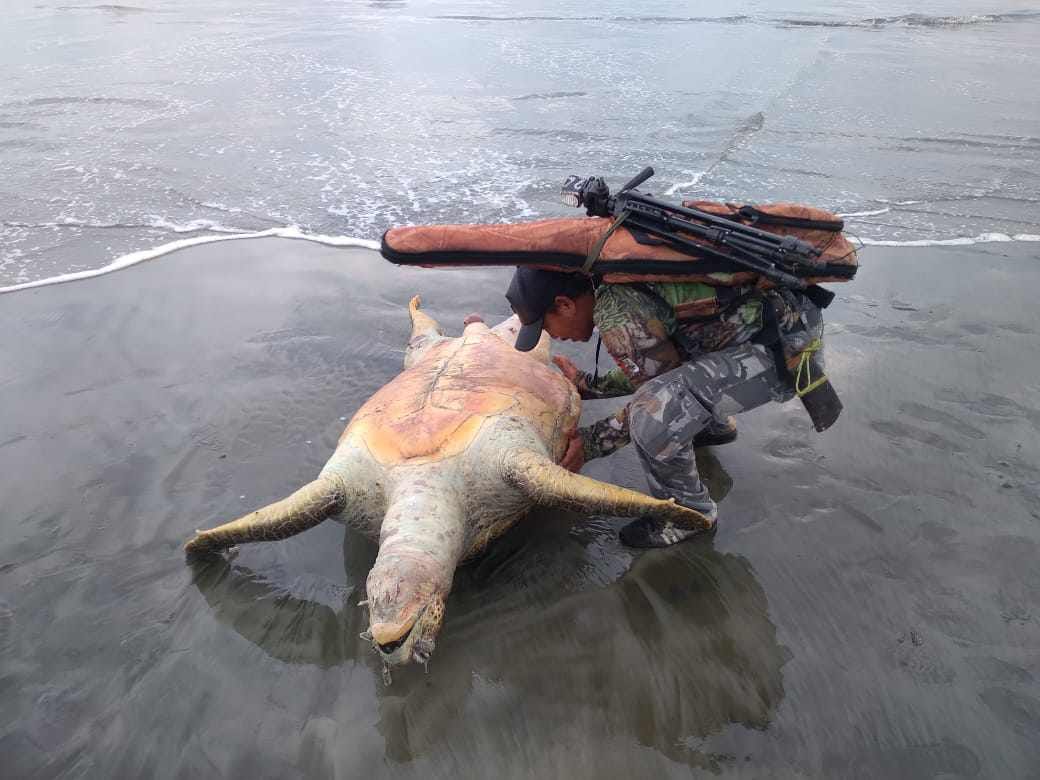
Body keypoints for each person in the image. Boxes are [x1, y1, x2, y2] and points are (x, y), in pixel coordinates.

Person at [505, 267, 825, 548]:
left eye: (546, 327)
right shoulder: (617, 280)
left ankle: (689, 514)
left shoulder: (615, 309)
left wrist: (589, 443)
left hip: (785, 355)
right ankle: (714, 427)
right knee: (671, 389)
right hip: (787, 327)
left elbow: (656, 399)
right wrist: (590, 385)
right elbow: (657, 363)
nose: (553, 336)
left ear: (564, 304)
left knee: (654, 415)